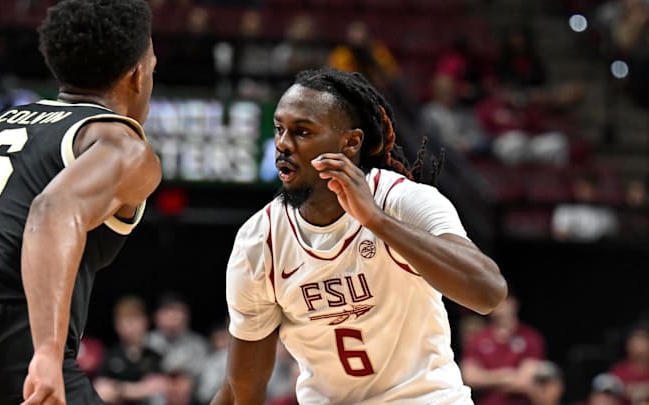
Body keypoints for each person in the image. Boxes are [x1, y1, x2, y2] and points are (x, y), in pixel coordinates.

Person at [211, 68, 507, 404]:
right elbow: (241, 389)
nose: (282, 144)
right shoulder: (259, 241)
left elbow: (488, 293)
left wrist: (376, 221)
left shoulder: (401, 200)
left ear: (350, 142)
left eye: (302, 132)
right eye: (279, 129)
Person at [0, 1, 160, 404]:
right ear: (137, 76)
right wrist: (47, 352)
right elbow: (51, 211)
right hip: (5, 345)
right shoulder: (120, 145)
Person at [461, 290, 546, 405]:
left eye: (504, 300)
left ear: (514, 303)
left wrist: (486, 379)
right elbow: (469, 377)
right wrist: (505, 376)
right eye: (495, 300)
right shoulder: (478, 339)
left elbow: (523, 381)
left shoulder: (531, 337)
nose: (500, 306)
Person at [94, 296, 165, 405]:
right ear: (117, 325)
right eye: (125, 321)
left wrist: (118, 389)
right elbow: (101, 390)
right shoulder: (110, 355)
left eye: (135, 319)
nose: (130, 326)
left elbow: (159, 388)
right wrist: (140, 389)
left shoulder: (154, 356)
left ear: (145, 322)